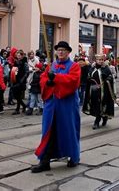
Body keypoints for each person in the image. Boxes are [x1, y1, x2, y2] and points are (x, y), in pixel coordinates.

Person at [31, 41, 81, 173]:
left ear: (68, 52)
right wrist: (47, 81)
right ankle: (44, 161)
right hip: (51, 104)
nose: (60, 52)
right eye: (59, 50)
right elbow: (43, 78)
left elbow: (73, 81)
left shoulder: (74, 66)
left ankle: (74, 157)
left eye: (63, 50)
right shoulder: (51, 65)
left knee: (69, 129)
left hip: (67, 104)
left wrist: (57, 77)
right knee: (48, 131)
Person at [83, 54, 115, 129]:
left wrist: (108, 79)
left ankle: (99, 120)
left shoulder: (106, 68)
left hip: (104, 91)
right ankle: (98, 119)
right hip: (94, 90)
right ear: (96, 60)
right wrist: (89, 78)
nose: (100, 61)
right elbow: (88, 76)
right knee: (96, 105)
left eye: (102, 60)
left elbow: (110, 77)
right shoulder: (92, 68)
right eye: (99, 60)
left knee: (102, 105)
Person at [11, 50, 29, 115]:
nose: (18, 56)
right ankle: (23, 106)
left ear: (22, 56)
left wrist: (23, 79)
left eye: (19, 55)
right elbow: (14, 71)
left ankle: (17, 109)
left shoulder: (24, 63)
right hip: (16, 80)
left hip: (21, 81)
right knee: (16, 95)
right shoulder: (16, 62)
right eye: (17, 55)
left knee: (18, 95)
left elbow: (27, 72)